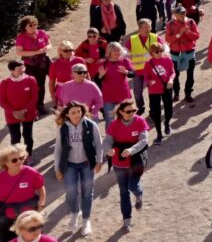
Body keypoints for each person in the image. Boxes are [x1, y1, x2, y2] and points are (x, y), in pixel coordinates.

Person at [53, 101, 102, 236]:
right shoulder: (62, 128)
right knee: (71, 192)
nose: (77, 114)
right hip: (69, 165)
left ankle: (86, 221)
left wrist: (99, 161)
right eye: (73, 112)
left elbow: (98, 144)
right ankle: (75, 213)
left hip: (87, 163)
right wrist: (57, 168)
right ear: (67, 114)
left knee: (87, 193)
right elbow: (58, 149)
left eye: (79, 111)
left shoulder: (90, 125)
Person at [103, 99, 148, 232]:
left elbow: (144, 140)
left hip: (136, 160)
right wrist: (108, 150)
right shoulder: (114, 125)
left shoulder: (140, 121)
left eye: (134, 110)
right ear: (121, 112)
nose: (132, 113)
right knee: (123, 192)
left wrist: (131, 150)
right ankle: (126, 220)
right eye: (129, 111)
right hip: (119, 163)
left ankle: (138, 194)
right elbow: (106, 142)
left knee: (132, 185)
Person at [0, 145, 45, 242]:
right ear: (5, 162)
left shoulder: (32, 173)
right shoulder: (1, 178)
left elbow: (41, 190)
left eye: (21, 158)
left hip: (28, 215)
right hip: (8, 217)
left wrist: (41, 205)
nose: (19, 161)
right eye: (14, 160)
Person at [0, 61, 39, 158]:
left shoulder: (31, 79)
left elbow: (34, 98)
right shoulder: (4, 83)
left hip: (28, 113)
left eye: (23, 68)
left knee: (28, 136)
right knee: (15, 137)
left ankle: (28, 156)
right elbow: (2, 101)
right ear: (11, 70)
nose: (22, 70)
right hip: (11, 115)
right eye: (19, 69)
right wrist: (14, 112)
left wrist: (24, 111)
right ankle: (16, 158)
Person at [141, 41, 175, 145]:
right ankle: (159, 133)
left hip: (166, 88)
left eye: (161, 50)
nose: (160, 53)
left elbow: (172, 72)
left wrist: (171, 80)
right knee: (156, 113)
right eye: (157, 51)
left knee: (169, 110)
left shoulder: (167, 59)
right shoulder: (148, 64)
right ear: (152, 53)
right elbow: (145, 78)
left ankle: (167, 123)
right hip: (154, 91)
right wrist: (149, 82)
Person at [166, 5, 200, 104]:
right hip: (175, 53)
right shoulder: (170, 24)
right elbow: (168, 39)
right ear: (175, 14)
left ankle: (188, 93)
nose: (183, 14)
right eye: (180, 13)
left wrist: (188, 32)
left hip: (189, 51)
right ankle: (176, 94)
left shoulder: (191, 22)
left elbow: (197, 36)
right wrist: (179, 34)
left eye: (184, 12)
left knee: (190, 75)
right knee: (175, 75)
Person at [97, 43, 133, 126]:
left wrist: (126, 72)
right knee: (110, 120)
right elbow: (99, 79)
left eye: (119, 50)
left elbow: (132, 73)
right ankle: (110, 138)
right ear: (109, 52)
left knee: (126, 118)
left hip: (123, 96)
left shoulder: (125, 61)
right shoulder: (103, 63)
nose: (117, 52)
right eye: (115, 51)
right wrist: (101, 75)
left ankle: (126, 137)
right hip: (108, 96)